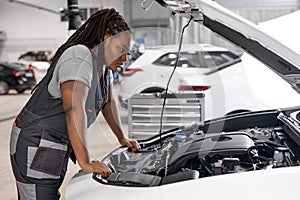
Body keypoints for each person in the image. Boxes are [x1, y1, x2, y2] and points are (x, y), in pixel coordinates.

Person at [9, 8, 140, 200]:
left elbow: (108, 103)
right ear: (105, 39)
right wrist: (85, 161)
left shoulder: (104, 69)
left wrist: (122, 137)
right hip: (35, 142)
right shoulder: (79, 57)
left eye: (128, 52)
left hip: (55, 144)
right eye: (121, 50)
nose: (125, 58)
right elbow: (74, 108)